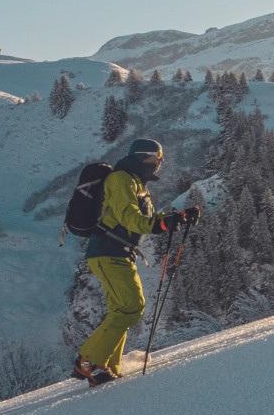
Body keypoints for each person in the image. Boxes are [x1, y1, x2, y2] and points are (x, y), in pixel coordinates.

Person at [73, 138, 198, 386]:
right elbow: (129, 217)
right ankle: (87, 360)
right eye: (155, 159)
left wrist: (176, 218)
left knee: (121, 310)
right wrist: (161, 224)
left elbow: (147, 218)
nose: (158, 165)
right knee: (131, 307)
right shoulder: (121, 180)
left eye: (160, 160)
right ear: (142, 157)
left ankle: (106, 367)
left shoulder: (136, 183)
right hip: (108, 251)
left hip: (118, 252)